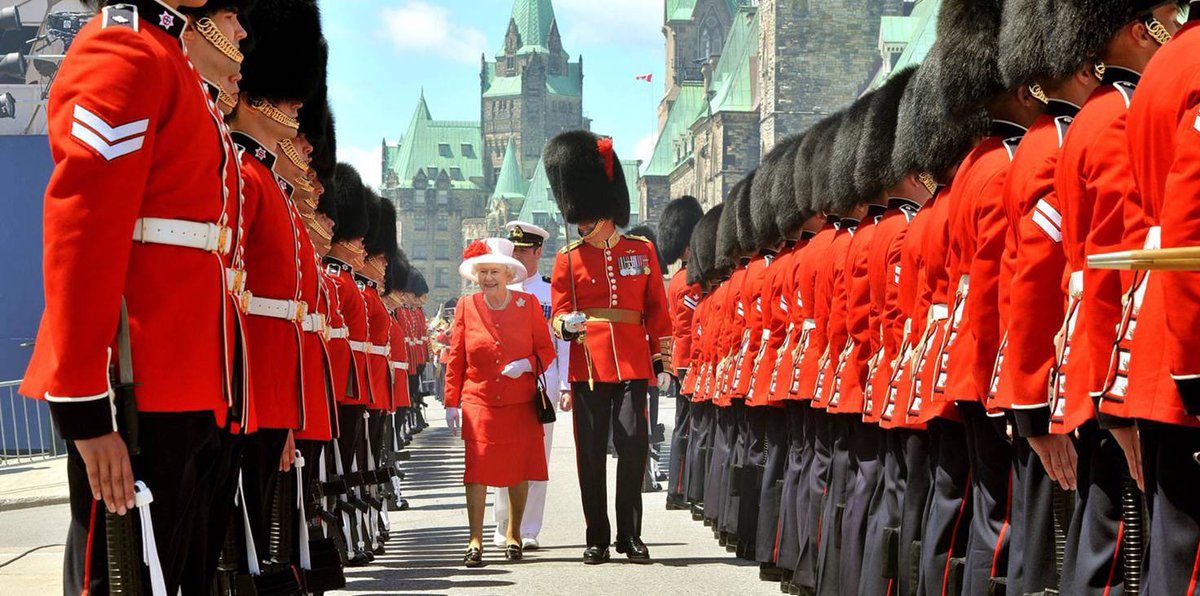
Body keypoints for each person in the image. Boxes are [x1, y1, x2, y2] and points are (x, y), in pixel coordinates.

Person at [21, 1, 242, 592]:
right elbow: (85, 230)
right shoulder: (121, 48)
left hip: (186, 375)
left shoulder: (167, 54)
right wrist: (85, 406)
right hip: (137, 380)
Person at [545, 130, 673, 564]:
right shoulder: (568, 256)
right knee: (591, 453)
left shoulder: (641, 250)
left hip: (634, 361)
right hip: (588, 366)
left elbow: (657, 307)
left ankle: (630, 534)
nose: (580, 221)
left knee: (634, 442)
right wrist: (566, 323)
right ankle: (597, 535)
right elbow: (558, 314)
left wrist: (664, 360)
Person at [443, 238, 557, 567]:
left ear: (508, 274)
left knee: (518, 469)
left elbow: (546, 352)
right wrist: (452, 402)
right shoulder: (467, 306)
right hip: (478, 399)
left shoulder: (528, 305)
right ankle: (475, 540)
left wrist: (527, 364)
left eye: (494, 271)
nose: (488, 278)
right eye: (483, 272)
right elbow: (456, 358)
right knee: (477, 471)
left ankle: (515, 534)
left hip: (519, 401)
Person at [490, 221, 570, 551]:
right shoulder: (498, 291)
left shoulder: (552, 294)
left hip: (541, 381)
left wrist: (566, 384)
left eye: (524, 251)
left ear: (538, 252)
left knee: (537, 455)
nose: (519, 257)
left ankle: (530, 528)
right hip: (504, 382)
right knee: (502, 453)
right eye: (515, 251)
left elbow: (563, 344)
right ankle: (503, 523)